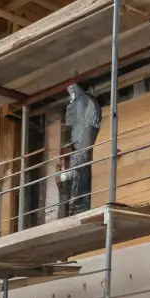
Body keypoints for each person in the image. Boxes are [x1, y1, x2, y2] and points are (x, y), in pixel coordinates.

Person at [62, 84, 100, 214]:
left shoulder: (85, 105)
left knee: (80, 168)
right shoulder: (78, 107)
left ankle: (79, 204)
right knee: (77, 170)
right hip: (77, 146)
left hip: (80, 146)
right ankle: (76, 204)